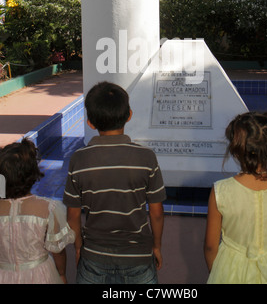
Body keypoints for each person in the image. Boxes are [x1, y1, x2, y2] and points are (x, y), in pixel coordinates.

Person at [63, 81, 166, 284]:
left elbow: (73, 215)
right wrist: (156, 246)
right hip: (138, 256)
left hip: (93, 257)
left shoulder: (79, 159)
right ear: (129, 114)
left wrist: (78, 247)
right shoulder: (146, 157)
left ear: (90, 122)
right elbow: (156, 212)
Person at [204, 111, 267, 284]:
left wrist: (216, 271)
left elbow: (210, 246)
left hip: (230, 270)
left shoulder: (220, 191)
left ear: (237, 150)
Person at [0, 138, 75, 284]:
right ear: (33, 175)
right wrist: (61, 274)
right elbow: (58, 250)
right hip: (41, 275)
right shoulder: (49, 208)